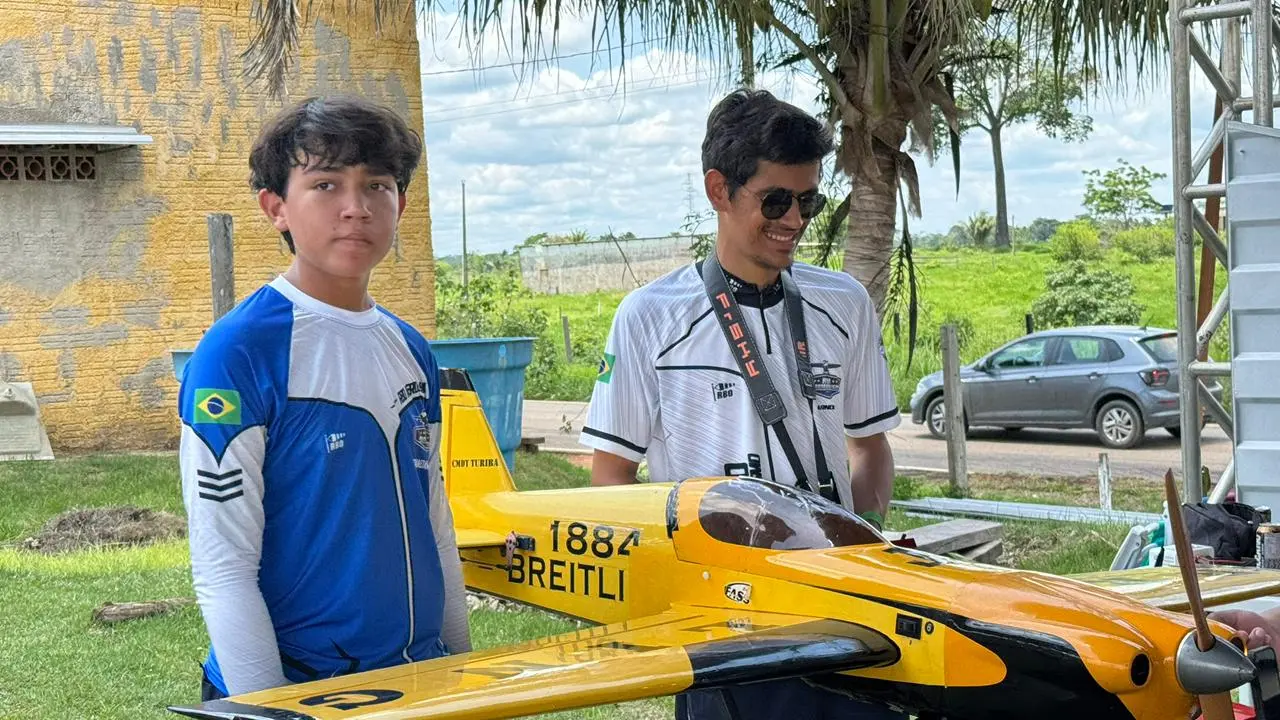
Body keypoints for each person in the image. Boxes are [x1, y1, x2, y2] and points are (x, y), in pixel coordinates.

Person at [579, 88, 903, 719]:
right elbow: (612, 481)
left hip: (848, 612)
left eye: (808, 200)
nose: (796, 220)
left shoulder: (843, 304)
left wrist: (865, 546)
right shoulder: (650, 316)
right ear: (718, 190)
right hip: (727, 624)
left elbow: (871, 447)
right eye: (775, 200)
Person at [178, 95, 469, 700]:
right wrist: (270, 708)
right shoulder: (237, 354)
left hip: (414, 681)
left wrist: (461, 676)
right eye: (326, 185)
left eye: (377, 185)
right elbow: (223, 564)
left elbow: (435, 522)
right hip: (302, 691)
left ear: (402, 203)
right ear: (275, 207)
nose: (356, 209)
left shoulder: (411, 347)